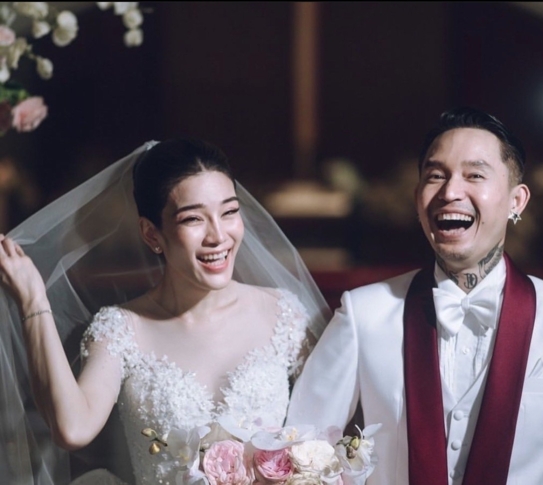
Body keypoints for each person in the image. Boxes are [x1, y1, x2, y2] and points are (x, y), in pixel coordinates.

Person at [287, 107, 543, 485]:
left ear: (517, 201)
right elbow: (302, 454)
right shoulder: (362, 314)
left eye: (475, 175)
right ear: (417, 198)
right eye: (436, 176)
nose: (450, 192)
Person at [0, 139, 330, 484]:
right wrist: (33, 301)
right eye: (193, 219)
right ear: (151, 233)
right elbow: (72, 429)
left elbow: (328, 436)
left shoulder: (283, 315)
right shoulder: (121, 330)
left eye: (229, 212)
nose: (218, 236)